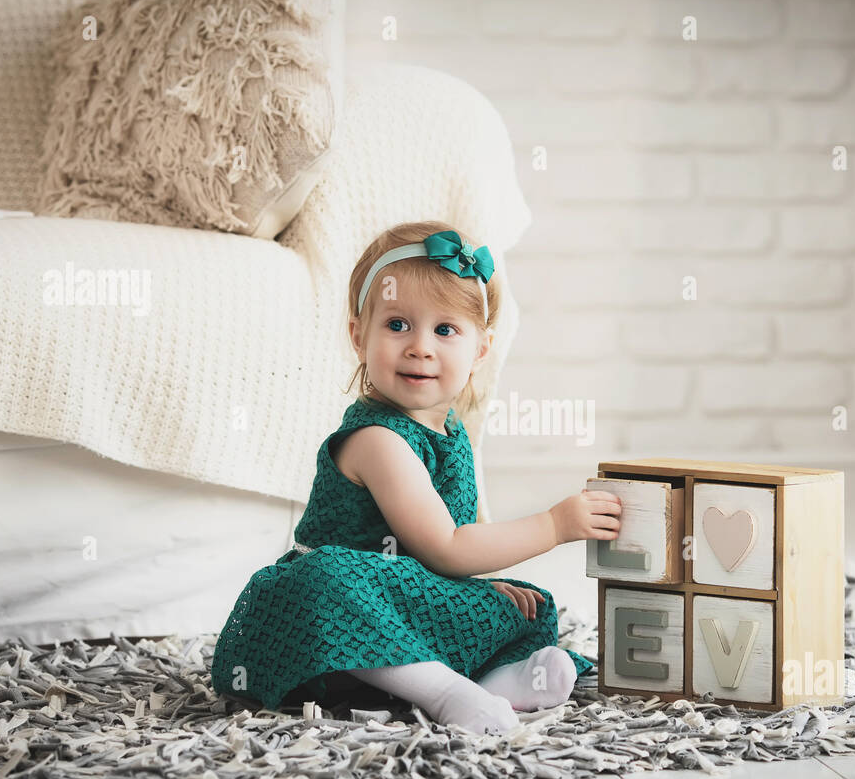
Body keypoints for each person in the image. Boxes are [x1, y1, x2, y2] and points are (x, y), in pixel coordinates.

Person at [210, 220, 622, 734]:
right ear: (359, 335)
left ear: (481, 351)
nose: (420, 347)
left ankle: (497, 686)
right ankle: (448, 694)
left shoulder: (452, 432)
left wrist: (480, 584)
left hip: (403, 596)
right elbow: (445, 546)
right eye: (398, 325)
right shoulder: (378, 441)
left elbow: (446, 557)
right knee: (326, 580)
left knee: (522, 602)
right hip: (331, 624)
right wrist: (554, 526)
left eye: (445, 330)